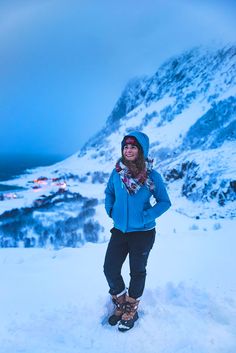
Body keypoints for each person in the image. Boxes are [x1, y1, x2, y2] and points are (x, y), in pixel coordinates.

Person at [103, 131, 171, 332]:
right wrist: (110, 209)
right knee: (110, 268)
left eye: (133, 147)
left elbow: (165, 202)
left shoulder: (152, 176)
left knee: (137, 271)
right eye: (125, 147)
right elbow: (109, 192)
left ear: (141, 150)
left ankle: (131, 309)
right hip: (120, 230)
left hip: (143, 232)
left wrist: (145, 216)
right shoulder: (117, 172)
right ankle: (121, 302)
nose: (128, 150)